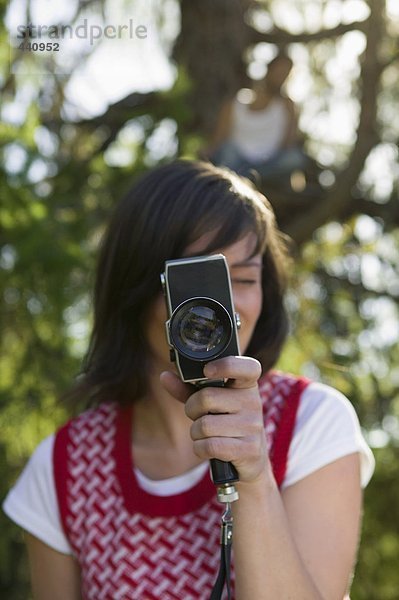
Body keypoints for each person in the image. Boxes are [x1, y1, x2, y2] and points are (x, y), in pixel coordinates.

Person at [3, 160, 374, 600]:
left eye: (245, 279)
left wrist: (254, 479)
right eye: (200, 282)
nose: (227, 307)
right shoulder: (62, 468)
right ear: (136, 286)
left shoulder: (313, 424)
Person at [203, 52, 308, 181]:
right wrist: (206, 152)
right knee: (227, 152)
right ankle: (242, 176)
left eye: (285, 74)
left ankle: (244, 176)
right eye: (279, 71)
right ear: (269, 69)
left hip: (268, 162)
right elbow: (219, 138)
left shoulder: (287, 106)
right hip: (236, 156)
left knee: (294, 159)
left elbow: (288, 143)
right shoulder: (236, 103)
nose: (281, 77)